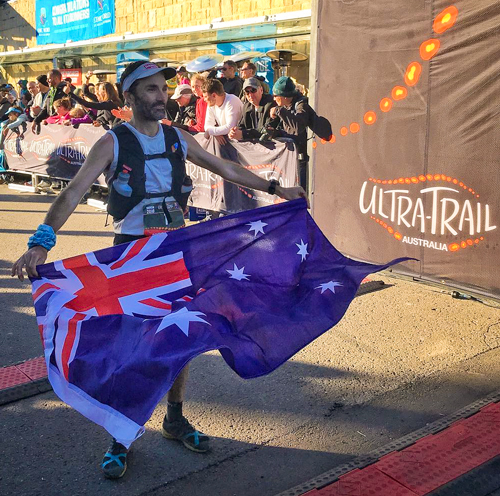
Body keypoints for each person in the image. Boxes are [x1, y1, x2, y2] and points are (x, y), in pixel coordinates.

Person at [11, 59, 306, 480]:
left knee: (180, 337)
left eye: (163, 89)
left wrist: (277, 189)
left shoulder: (177, 137)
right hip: (132, 256)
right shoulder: (112, 142)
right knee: (131, 346)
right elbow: (73, 192)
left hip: (174, 251)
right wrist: (40, 243)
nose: (161, 96)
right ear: (130, 96)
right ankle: (121, 435)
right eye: (150, 89)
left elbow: (226, 168)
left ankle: (174, 418)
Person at [266, 76, 315, 191]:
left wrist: (278, 110)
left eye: (275, 96)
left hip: (301, 159)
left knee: (299, 193)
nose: (274, 99)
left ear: (284, 96)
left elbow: (298, 126)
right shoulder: (284, 106)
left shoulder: (301, 104)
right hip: (287, 158)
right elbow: (275, 127)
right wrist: (273, 132)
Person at [229, 77, 276, 141]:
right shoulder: (246, 106)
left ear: (261, 90)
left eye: (253, 90)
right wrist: (235, 131)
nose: (250, 95)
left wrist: (244, 134)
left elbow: (267, 130)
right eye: (247, 92)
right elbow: (242, 126)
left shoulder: (270, 105)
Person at [203, 78, 243, 145]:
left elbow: (230, 127)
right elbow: (207, 125)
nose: (204, 99)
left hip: (242, 144)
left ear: (214, 95)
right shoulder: (211, 104)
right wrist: (215, 133)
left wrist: (211, 131)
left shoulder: (232, 100)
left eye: (205, 96)